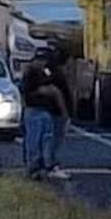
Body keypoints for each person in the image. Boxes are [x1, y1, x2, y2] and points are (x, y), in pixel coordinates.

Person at [21, 59, 66, 180]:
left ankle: (40, 166)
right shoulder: (31, 75)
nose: (41, 63)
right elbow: (30, 92)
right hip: (35, 110)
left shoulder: (43, 73)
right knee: (35, 140)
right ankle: (34, 167)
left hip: (44, 111)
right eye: (39, 60)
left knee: (43, 139)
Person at [43, 49, 72, 179]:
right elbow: (59, 94)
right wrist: (65, 111)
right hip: (57, 111)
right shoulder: (58, 75)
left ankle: (49, 164)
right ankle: (52, 165)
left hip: (53, 110)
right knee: (56, 139)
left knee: (51, 139)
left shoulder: (50, 73)